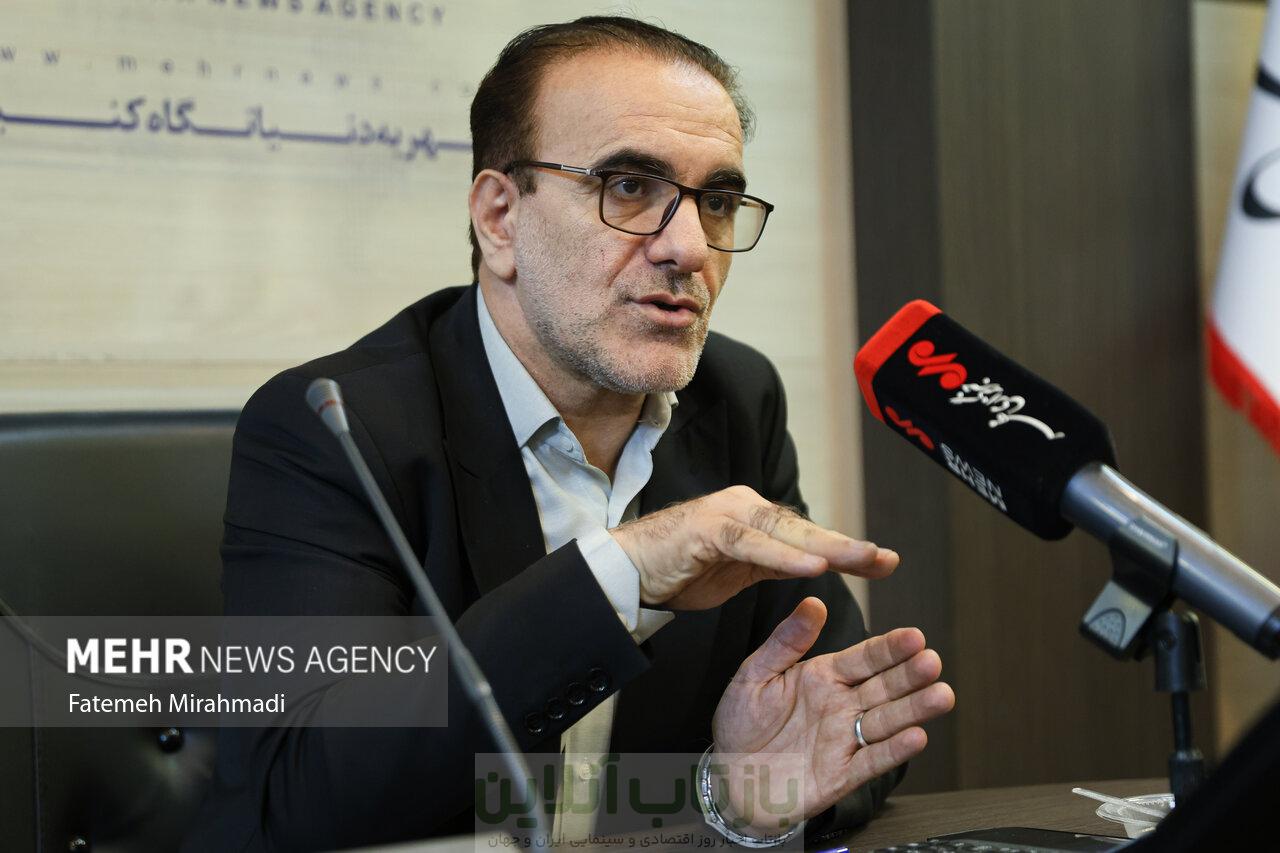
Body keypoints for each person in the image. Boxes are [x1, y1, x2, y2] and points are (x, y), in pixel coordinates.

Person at [185, 16, 954, 851]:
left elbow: (841, 722)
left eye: (718, 202)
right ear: (500, 218)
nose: (689, 248)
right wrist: (623, 573)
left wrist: (733, 796)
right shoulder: (337, 428)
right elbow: (296, 796)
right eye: (629, 187)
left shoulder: (735, 399)